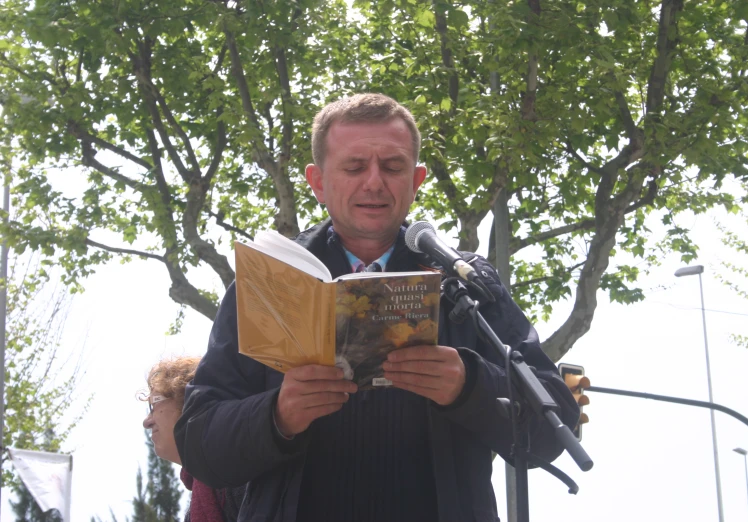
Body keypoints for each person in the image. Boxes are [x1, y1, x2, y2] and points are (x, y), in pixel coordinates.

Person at [174, 93, 579, 522]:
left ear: (416, 179)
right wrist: (277, 415)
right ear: (318, 182)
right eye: (353, 167)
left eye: (392, 166)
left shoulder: (467, 282)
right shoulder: (265, 283)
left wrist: (469, 385)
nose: (374, 182)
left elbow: (552, 430)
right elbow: (199, 446)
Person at [143, 356, 244, 522]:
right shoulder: (209, 486)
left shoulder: (239, 468)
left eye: (153, 405)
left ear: (189, 399)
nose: (147, 422)